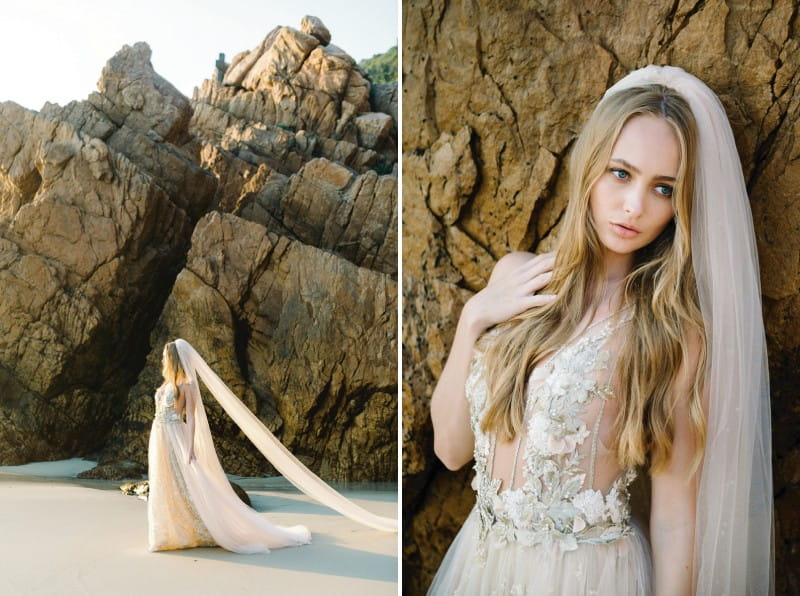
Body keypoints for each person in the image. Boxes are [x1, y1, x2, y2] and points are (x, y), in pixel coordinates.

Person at [427, 66, 773, 595]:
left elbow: (676, 515)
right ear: (590, 166)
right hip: (483, 564)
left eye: (662, 188)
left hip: (588, 577)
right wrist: (474, 316)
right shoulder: (514, 278)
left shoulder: (670, 333)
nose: (635, 206)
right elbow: (450, 451)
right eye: (620, 173)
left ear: (680, 207)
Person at [148, 339, 397, 553]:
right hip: (159, 436)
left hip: (176, 434)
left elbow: (190, 417)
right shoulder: (166, 385)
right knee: (167, 482)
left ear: (173, 358)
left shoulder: (187, 386)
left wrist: (191, 447)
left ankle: (195, 528)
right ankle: (169, 531)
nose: (162, 359)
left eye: (165, 356)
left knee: (188, 481)